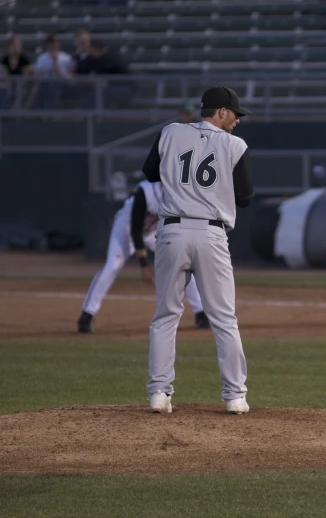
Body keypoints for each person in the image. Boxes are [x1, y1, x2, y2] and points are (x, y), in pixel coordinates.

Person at [142, 86, 254, 415]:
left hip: (172, 231)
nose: (237, 120)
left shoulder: (170, 132)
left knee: (165, 316)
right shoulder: (235, 145)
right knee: (224, 319)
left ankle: (159, 393)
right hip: (211, 234)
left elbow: (149, 173)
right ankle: (235, 396)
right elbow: (245, 197)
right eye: (235, 113)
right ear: (220, 112)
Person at [78, 179, 209, 334]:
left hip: (155, 230)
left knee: (183, 263)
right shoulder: (146, 191)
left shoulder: (182, 195)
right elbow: (135, 229)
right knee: (113, 264)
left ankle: (201, 313)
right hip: (127, 226)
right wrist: (144, 265)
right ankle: (87, 315)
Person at [1, 36, 32, 108]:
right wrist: (10, 86)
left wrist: (18, 86)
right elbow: (6, 76)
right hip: (9, 85)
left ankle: (16, 113)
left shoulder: (25, 60)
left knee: (21, 92)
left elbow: (25, 78)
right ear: (8, 47)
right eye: (14, 45)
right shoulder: (4, 60)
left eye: (18, 45)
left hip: (23, 86)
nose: (16, 48)